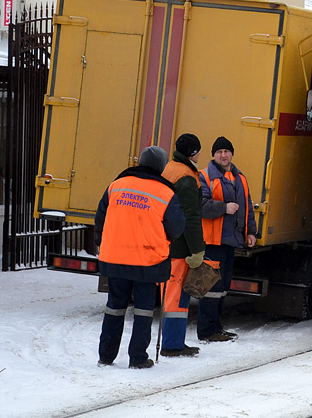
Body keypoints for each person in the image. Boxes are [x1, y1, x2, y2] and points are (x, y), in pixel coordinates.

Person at [93, 145, 184, 369]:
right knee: (143, 310)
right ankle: (137, 358)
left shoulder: (117, 185)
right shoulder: (165, 192)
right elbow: (177, 227)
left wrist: (101, 242)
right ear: (161, 167)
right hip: (147, 260)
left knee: (114, 307)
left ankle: (106, 355)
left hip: (115, 258)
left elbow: (101, 217)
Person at [197, 136, 257, 342]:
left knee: (223, 287)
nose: (223, 155)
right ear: (213, 155)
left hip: (230, 241)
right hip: (212, 241)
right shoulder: (204, 176)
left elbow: (247, 207)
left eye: (226, 151)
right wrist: (224, 208)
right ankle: (206, 331)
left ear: (232, 154)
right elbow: (201, 205)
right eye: (219, 152)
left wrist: (251, 232)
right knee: (211, 288)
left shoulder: (240, 178)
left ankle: (216, 327)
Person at [159, 132, 206, 358]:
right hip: (179, 248)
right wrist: (197, 248)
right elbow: (191, 216)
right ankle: (172, 344)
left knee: (170, 294)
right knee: (176, 297)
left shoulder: (170, 168)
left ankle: (173, 341)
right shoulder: (187, 177)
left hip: (166, 242)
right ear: (193, 153)